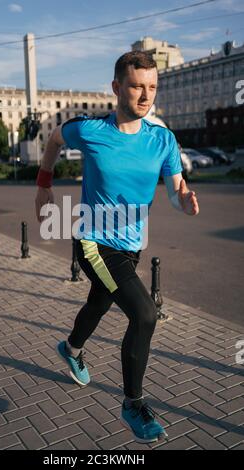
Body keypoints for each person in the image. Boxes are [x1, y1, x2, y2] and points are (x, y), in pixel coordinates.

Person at [35, 51, 199, 444]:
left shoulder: (163, 139)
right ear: (116, 88)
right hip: (93, 242)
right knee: (144, 314)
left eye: (153, 87)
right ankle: (132, 404)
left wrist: (184, 199)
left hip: (131, 245)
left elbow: (175, 191)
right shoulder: (91, 130)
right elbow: (55, 139)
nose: (146, 96)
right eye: (137, 86)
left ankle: (71, 349)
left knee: (99, 302)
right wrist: (43, 184)